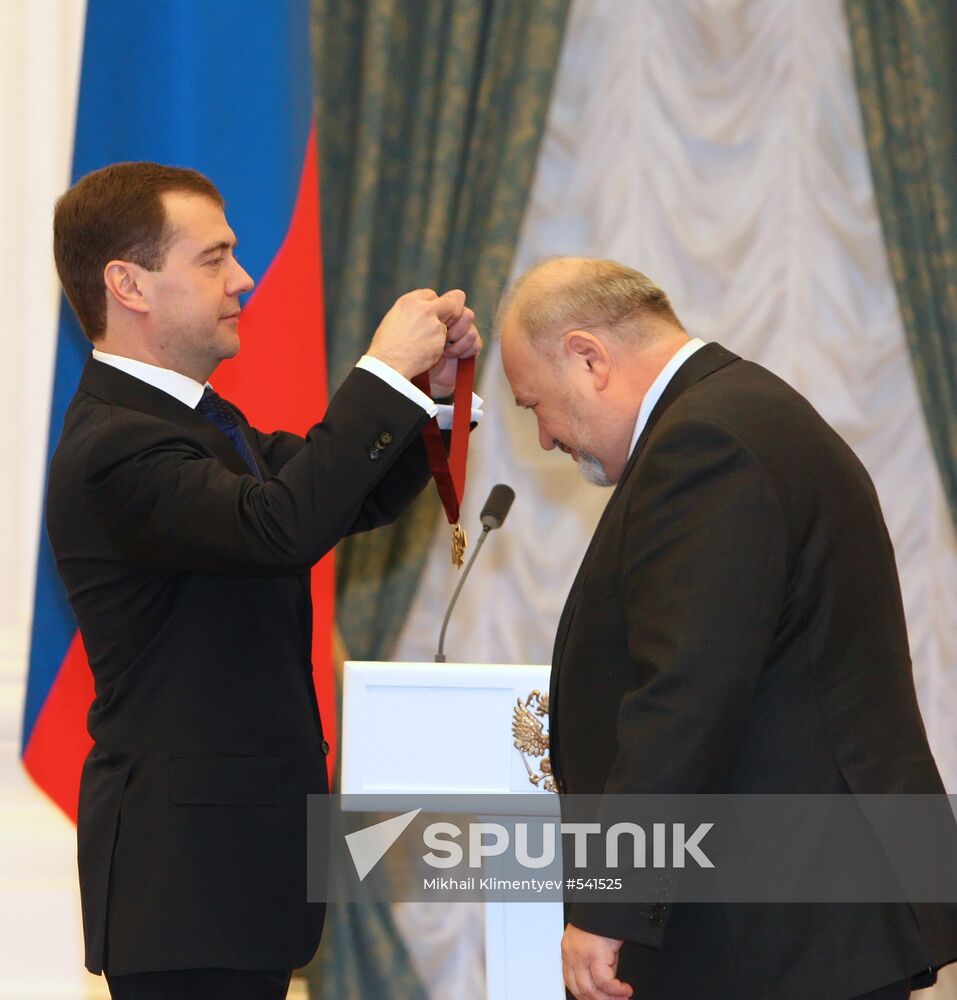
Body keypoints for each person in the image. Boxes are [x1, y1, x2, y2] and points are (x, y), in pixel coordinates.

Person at [46, 161, 482, 1000]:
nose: (243, 278)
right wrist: (381, 372)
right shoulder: (118, 446)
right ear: (128, 284)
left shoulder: (196, 422)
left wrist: (426, 398)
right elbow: (281, 524)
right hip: (186, 889)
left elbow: (335, 501)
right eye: (213, 257)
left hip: (228, 884)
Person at [499, 256, 957, 1000]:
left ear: (588, 359)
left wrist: (608, 899)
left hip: (780, 928)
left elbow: (685, 696)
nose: (546, 437)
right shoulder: (747, 413)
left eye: (534, 405)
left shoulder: (703, 445)